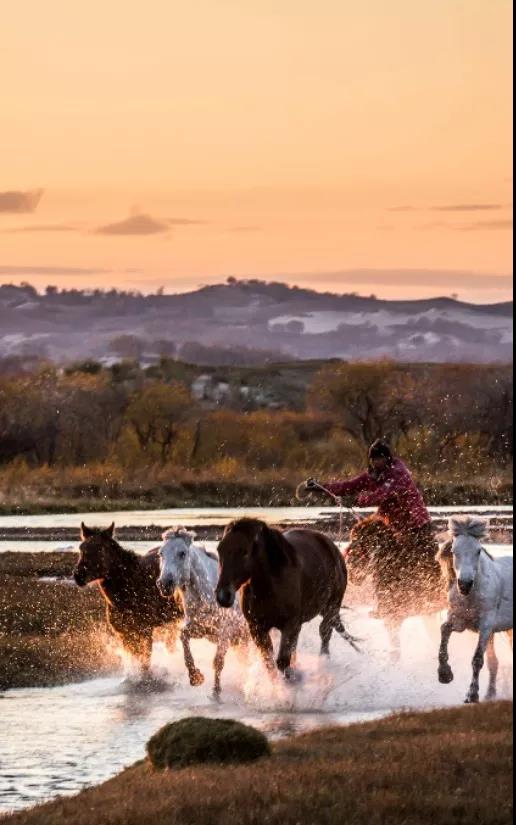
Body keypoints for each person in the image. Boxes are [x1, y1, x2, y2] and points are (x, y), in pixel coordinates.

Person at [305, 439, 436, 554]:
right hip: (391, 525)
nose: (375, 462)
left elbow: (381, 495)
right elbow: (348, 486)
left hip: (416, 524)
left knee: (421, 562)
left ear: (387, 459)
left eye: (378, 459)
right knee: (361, 533)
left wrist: (356, 500)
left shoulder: (398, 473)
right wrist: (322, 487)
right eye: (373, 459)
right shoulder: (372, 476)